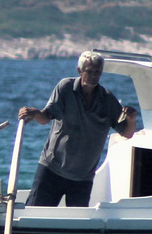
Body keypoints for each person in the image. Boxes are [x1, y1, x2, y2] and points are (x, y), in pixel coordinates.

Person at [18, 50, 137, 207]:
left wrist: (132, 119)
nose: (94, 76)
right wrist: (34, 113)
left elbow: (127, 133)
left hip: (83, 177)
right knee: (36, 214)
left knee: (76, 223)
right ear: (80, 71)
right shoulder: (65, 88)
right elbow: (46, 118)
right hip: (52, 169)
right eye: (90, 71)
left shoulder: (107, 99)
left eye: (98, 72)